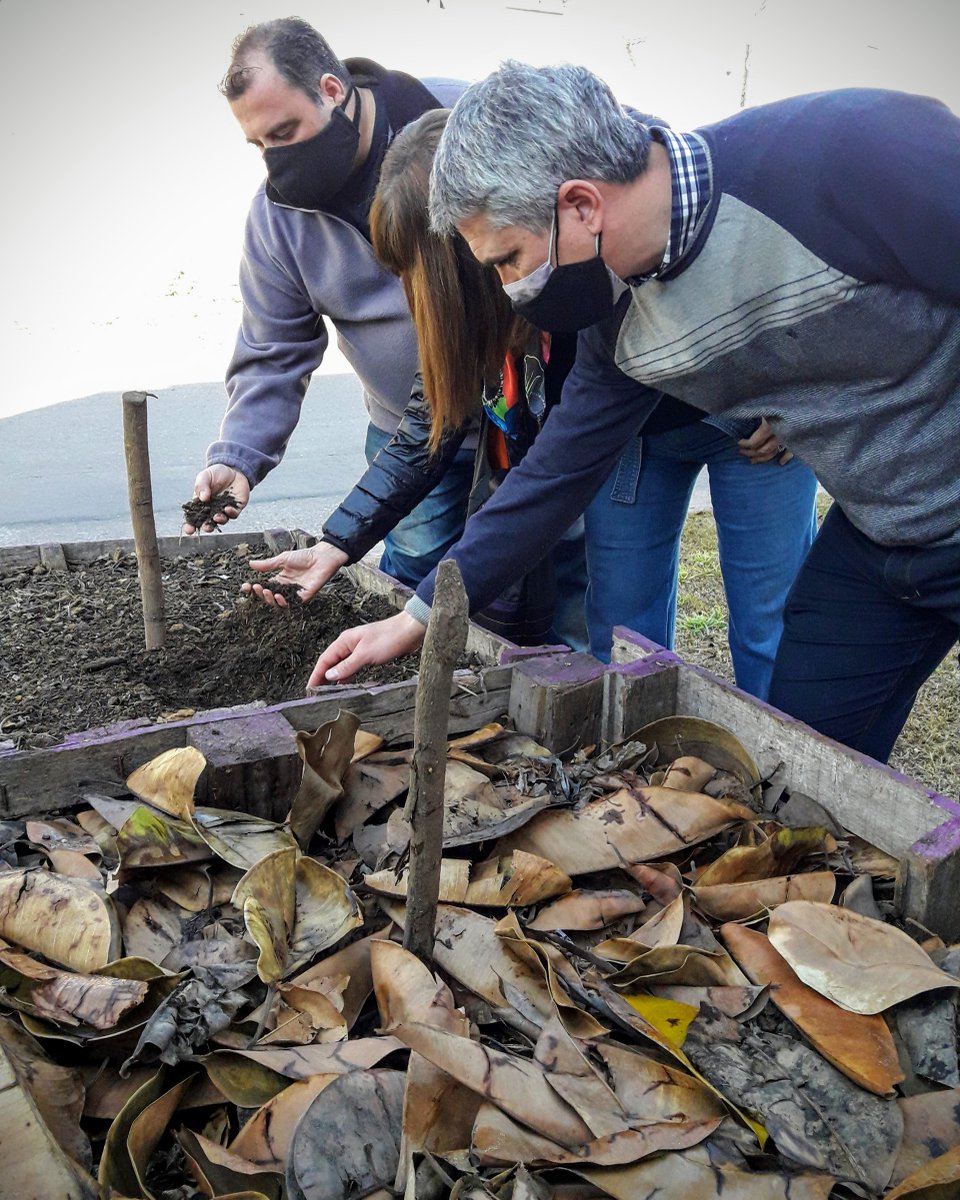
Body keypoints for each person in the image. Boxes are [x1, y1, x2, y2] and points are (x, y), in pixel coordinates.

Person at [313, 62, 960, 765]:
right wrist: (420, 613)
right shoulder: (617, 322)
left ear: (582, 206)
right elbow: (555, 472)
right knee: (804, 768)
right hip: (877, 540)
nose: (508, 289)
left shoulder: (847, 155)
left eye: (509, 261)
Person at [242, 108, 590, 649]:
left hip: (583, 478)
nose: (412, 297)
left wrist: (419, 615)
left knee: (589, 616)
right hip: (532, 492)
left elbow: (544, 485)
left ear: (463, 266)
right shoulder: (479, 324)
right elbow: (425, 431)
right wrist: (336, 543)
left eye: (415, 276)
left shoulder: (568, 315)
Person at [183, 17, 473, 589]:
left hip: (531, 409)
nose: (275, 160)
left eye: (285, 131)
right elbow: (273, 346)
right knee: (414, 577)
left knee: (556, 575)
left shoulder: (461, 123)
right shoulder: (277, 217)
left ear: (333, 90)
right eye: (258, 143)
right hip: (410, 431)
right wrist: (240, 454)